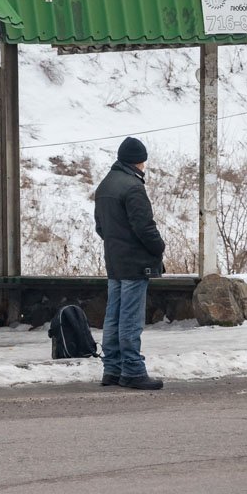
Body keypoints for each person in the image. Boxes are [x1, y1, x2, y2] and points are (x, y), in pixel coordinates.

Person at [94, 136, 166, 390]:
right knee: (130, 319)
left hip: (114, 261)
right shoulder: (133, 187)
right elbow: (145, 227)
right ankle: (133, 371)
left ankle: (112, 369)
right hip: (135, 263)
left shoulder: (105, 186)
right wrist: (159, 248)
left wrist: (116, 245)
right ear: (140, 161)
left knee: (112, 317)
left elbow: (100, 227)